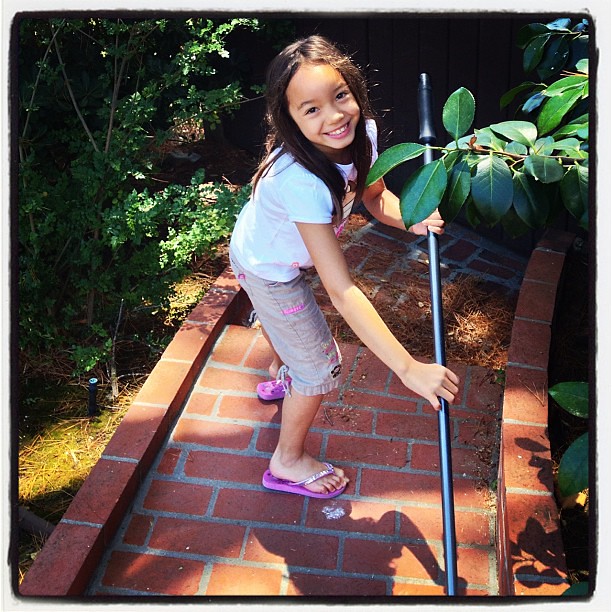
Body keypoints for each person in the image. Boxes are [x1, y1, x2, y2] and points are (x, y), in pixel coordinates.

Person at [228, 35, 459, 499]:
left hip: (273, 253)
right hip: (268, 269)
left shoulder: (364, 134)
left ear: (354, 90)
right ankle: (286, 461)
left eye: (339, 97)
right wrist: (408, 368)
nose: (334, 117)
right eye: (311, 109)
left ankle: (281, 373)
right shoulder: (300, 182)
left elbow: (374, 198)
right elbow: (343, 290)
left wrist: (408, 218)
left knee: (291, 343)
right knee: (318, 367)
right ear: (288, 118)